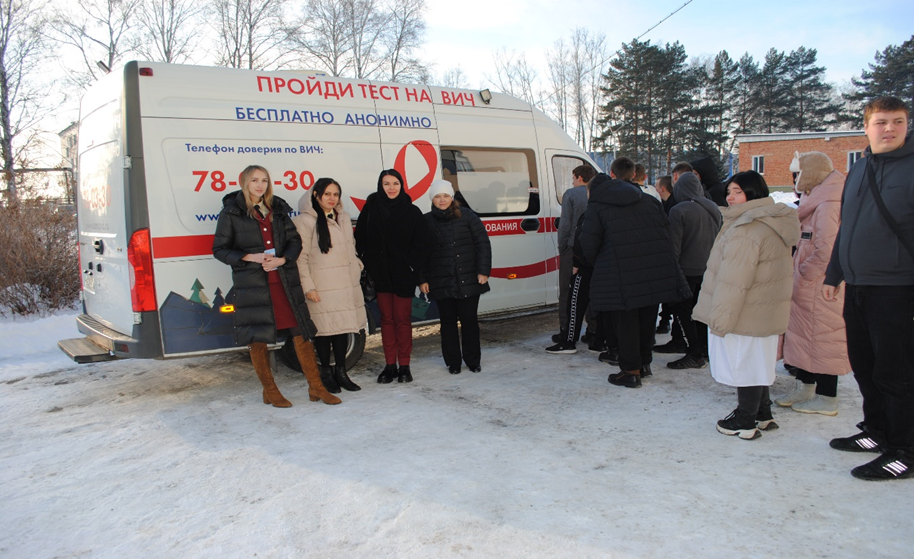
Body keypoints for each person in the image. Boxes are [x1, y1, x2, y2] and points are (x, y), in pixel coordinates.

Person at [823, 96, 914, 480]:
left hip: (897, 288)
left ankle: (905, 449)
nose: (889, 128)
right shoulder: (858, 170)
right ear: (867, 127)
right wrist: (834, 272)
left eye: (897, 121)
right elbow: (849, 226)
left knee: (897, 372)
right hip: (859, 286)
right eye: (881, 122)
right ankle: (876, 431)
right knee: (865, 366)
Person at [212, 165, 341, 408]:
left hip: (283, 283)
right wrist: (250, 257)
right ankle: (270, 390)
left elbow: (294, 241)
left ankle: (316, 387)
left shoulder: (278, 209)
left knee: (301, 333)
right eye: (254, 180)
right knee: (258, 339)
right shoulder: (231, 212)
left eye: (264, 180)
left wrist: (283, 259)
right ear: (245, 183)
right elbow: (220, 250)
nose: (260, 185)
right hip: (253, 285)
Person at [693, 170, 799, 439]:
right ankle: (762, 413)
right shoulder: (767, 220)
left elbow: (734, 281)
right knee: (757, 362)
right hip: (762, 309)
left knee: (745, 364)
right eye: (729, 191)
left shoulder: (747, 227)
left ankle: (745, 419)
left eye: (738, 191)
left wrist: (721, 318)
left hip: (745, 310)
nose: (730, 197)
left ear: (753, 193)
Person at [579, 157, 690, 389]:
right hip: (652, 272)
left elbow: (589, 245)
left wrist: (601, 262)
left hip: (619, 274)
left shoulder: (598, 207)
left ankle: (630, 371)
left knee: (626, 323)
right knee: (646, 320)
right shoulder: (650, 201)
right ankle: (644, 364)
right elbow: (665, 233)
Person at [777, 152, 850, 416]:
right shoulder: (813, 199)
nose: (795, 179)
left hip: (820, 285)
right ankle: (805, 386)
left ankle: (827, 396)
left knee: (824, 338)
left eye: (798, 173)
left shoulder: (828, 203)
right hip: (808, 284)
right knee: (803, 336)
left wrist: (805, 273)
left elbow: (827, 250)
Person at [355, 169, 429, 384]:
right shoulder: (371, 208)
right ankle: (390, 366)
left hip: (404, 275)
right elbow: (360, 236)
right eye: (386, 183)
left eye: (395, 183)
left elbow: (421, 245)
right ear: (380, 185)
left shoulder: (412, 211)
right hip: (380, 275)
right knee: (386, 320)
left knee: (403, 320)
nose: (391, 188)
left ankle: (404, 365)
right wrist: (368, 260)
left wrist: (415, 270)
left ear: (401, 185)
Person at [292, 178, 364, 394]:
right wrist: (308, 287)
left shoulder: (342, 218)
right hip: (321, 287)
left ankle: (341, 372)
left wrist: (357, 265)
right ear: (316, 196)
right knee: (323, 332)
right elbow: (300, 259)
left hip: (344, 284)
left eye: (336, 194)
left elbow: (349, 249)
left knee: (342, 330)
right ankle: (325, 373)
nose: (332, 198)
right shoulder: (304, 221)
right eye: (327, 194)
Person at [419, 180, 492, 374]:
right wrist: (422, 279)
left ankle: (473, 360)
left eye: (445, 196)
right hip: (441, 281)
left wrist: (483, 271)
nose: (442, 200)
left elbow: (482, 244)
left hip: (468, 279)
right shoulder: (425, 222)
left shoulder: (468, 216)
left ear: (452, 197)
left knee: (469, 322)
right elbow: (420, 253)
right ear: (432, 199)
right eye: (437, 196)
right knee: (448, 323)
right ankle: (453, 363)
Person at [663, 171, 722, 369]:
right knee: (702, 313)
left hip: (685, 272)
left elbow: (674, 247)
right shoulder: (712, 207)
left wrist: (672, 272)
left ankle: (694, 353)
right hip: (709, 270)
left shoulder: (679, 210)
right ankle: (705, 349)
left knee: (684, 313)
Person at [554, 164, 599, 348]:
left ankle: (566, 330)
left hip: (573, 248)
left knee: (568, 290)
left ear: (580, 178)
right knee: (591, 291)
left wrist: (562, 245)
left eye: (573, 178)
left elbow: (565, 224)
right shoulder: (598, 193)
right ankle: (593, 330)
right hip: (594, 250)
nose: (572, 182)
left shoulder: (571, 195)